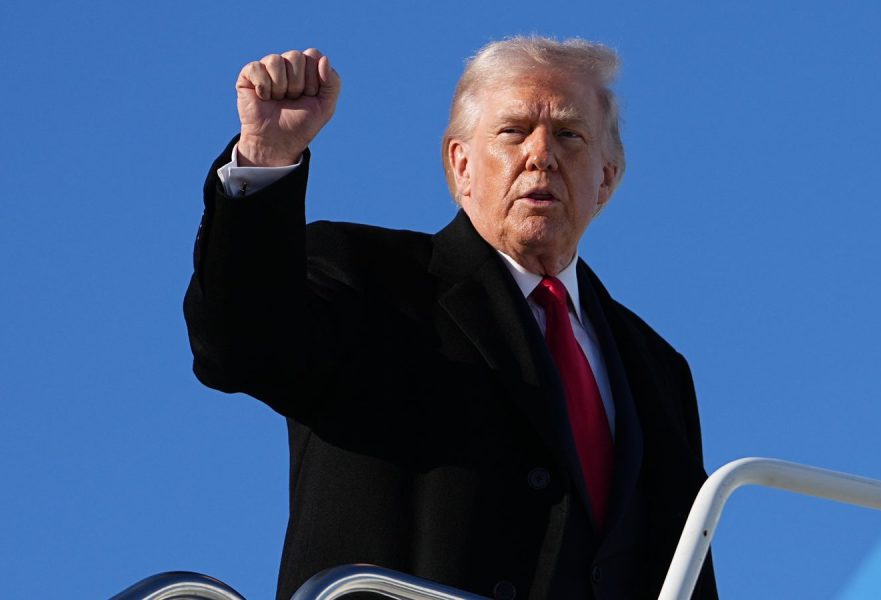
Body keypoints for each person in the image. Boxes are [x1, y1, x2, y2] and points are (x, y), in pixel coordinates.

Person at [184, 37, 718, 600]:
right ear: (460, 165)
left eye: (569, 134)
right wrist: (267, 156)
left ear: (607, 177)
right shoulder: (367, 278)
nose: (542, 154)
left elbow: (681, 563)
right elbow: (239, 344)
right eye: (513, 131)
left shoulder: (657, 367)